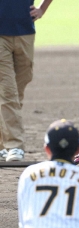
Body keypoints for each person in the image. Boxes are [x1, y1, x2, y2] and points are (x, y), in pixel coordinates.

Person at [0, 0, 53, 162]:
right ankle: (14, 146)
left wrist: (42, 9)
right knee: (8, 92)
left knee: (16, 91)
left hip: (25, 32)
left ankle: (2, 143)